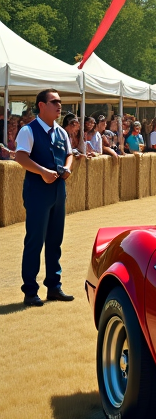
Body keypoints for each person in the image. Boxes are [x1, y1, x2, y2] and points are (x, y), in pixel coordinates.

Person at [14, 89, 75, 306]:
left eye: (60, 102)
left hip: (58, 191)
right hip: (37, 192)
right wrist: (42, 171)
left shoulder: (61, 132)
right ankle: (30, 291)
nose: (59, 105)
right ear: (41, 105)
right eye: (54, 102)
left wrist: (67, 168)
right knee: (35, 241)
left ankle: (54, 287)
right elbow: (20, 156)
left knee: (55, 241)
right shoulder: (28, 130)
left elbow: (69, 153)